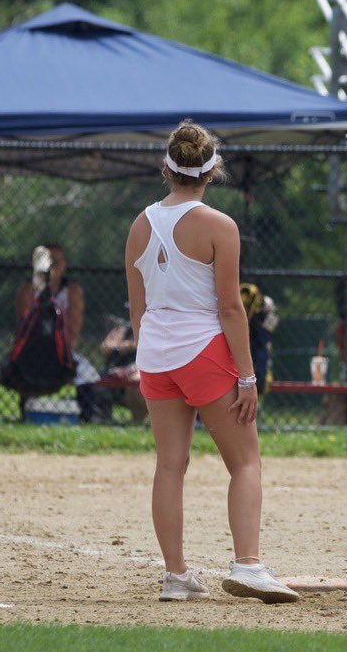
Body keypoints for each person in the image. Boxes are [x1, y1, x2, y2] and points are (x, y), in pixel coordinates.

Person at [124, 119, 298, 604]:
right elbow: (229, 307)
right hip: (204, 351)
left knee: (169, 467)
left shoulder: (140, 224)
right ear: (212, 169)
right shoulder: (220, 225)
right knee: (245, 463)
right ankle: (248, 564)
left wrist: (150, 353)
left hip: (156, 354)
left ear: (167, 166)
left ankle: (175, 576)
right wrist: (247, 375)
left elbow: (137, 306)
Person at [14, 243, 105, 421]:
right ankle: (26, 415)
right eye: (49, 261)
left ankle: (88, 417)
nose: (53, 266)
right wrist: (40, 281)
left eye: (58, 261)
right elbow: (23, 324)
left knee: (86, 374)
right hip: (32, 351)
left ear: (65, 265)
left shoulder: (72, 290)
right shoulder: (28, 289)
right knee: (26, 369)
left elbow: (74, 331)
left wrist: (59, 355)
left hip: (62, 351)